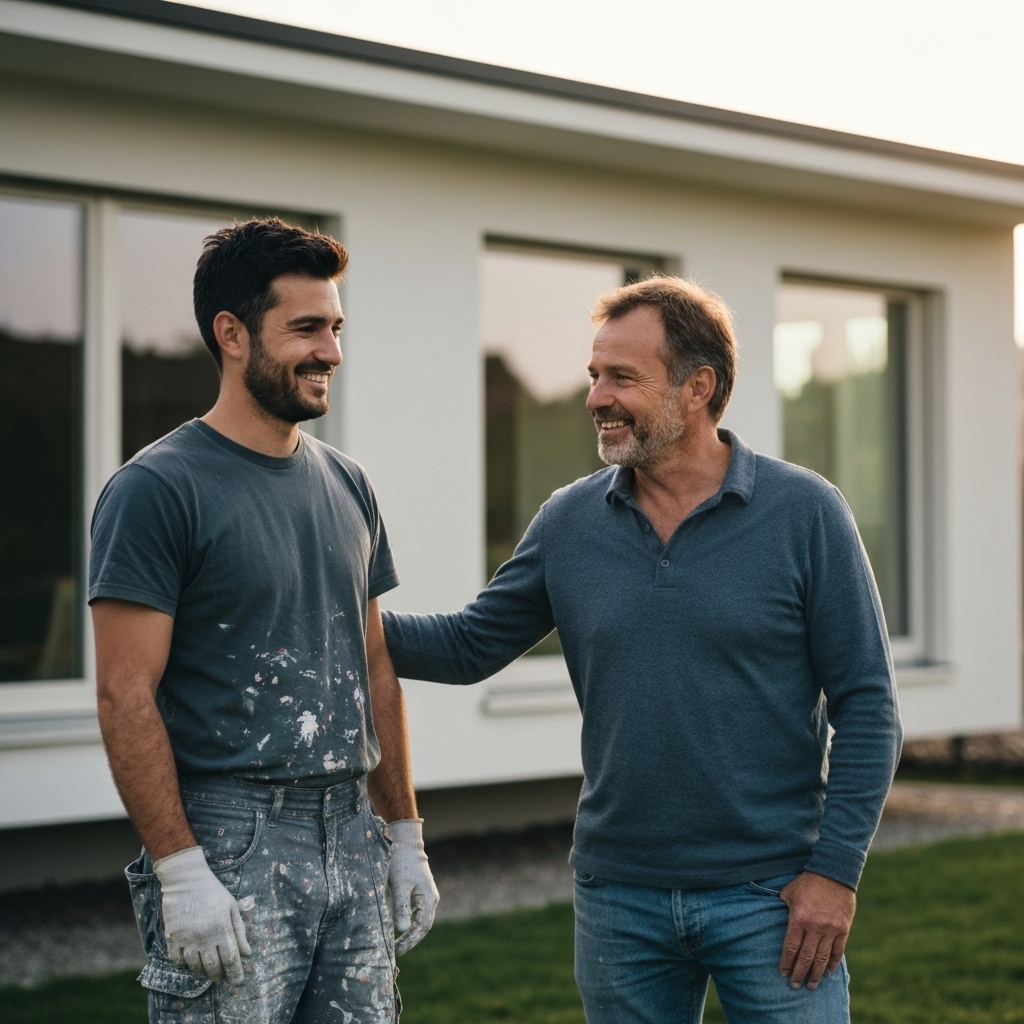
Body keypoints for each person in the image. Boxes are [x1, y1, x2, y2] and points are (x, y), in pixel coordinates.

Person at [382, 276, 902, 1023]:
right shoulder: (569, 522)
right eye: (595, 374)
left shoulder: (805, 513)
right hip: (619, 898)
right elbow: (469, 646)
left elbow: (868, 704)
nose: (596, 396)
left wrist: (836, 874)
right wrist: (332, 614)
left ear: (698, 387)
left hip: (774, 898)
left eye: (622, 377)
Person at [90, 218, 438, 1024]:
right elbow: (123, 692)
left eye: (336, 327)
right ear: (232, 334)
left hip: (352, 832)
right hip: (229, 839)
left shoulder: (349, 484)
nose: (331, 352)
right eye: (306, 328)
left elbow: (374, 666)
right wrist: (180, 869)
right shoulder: (157, 489)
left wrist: (406, 835)